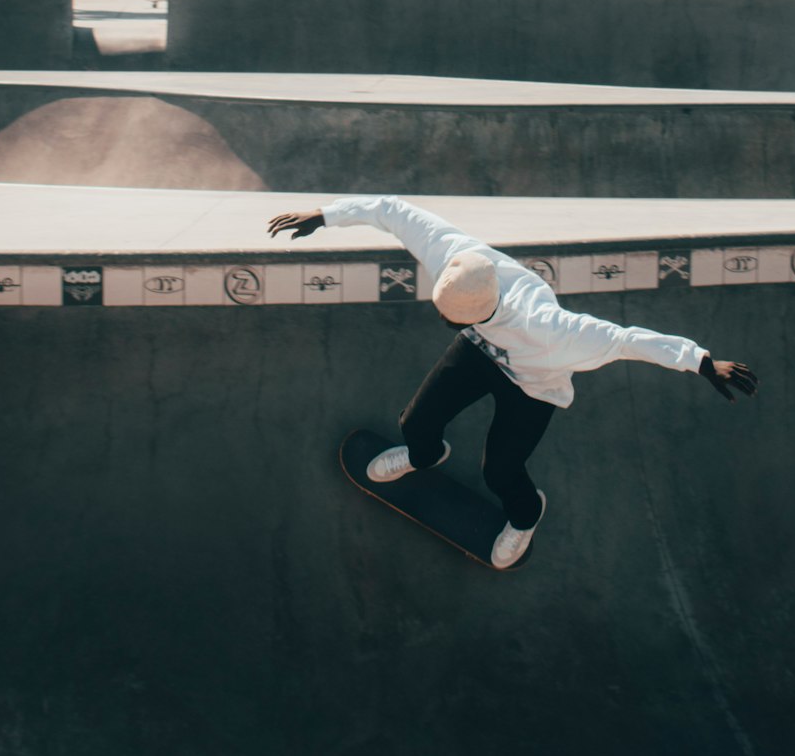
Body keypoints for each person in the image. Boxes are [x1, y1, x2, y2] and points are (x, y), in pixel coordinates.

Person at [267, 196, 757, 570]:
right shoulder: (457, 258)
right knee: (415, 421)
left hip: (532, 384)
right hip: (481, 352)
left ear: (477, 313)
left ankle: (525, 518)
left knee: (501, 471)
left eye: (449, 319)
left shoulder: (554, 332)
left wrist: (700, 361)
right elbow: (394, 211)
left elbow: (626, 340)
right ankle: (423, 454)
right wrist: (326, 215)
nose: (441, 320)